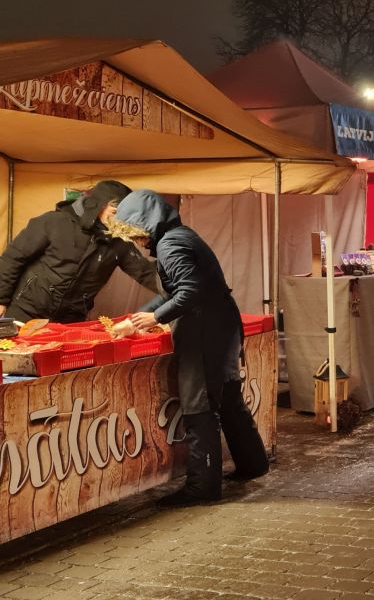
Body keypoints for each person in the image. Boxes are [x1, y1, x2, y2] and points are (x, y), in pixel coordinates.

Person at [111, 190, 268, 506]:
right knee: (228, 398)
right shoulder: (181, 235)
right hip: (220, 324)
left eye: (136, 235)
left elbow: (189, 292)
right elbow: (178, 290)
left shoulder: (170, 245)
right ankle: (254, 464)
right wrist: (143, 316)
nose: (137, 243)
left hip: (204, 332)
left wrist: (153, 317)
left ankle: (202, 488)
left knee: (199, 408)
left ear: (145, 225)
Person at [0, 180, 159, 323]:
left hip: (70, 322)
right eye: (115, 212)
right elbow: (13, 259)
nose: (120, 220)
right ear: (99, 205)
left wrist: (179, 285)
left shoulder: (119, 242)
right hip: (25, 314)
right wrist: (1, 300)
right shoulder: (52, 222)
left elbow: (146, 273)